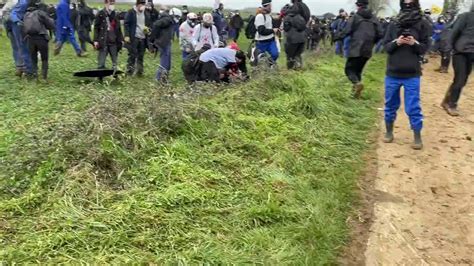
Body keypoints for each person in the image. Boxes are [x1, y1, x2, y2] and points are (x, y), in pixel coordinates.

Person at [383, 0, 430, 150]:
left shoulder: (422, 23)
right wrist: (396, 42)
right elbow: (386, 47)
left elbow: (424, 48)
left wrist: (414, 43)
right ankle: (389, 132)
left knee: (413, 107)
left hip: (412, 74)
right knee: (390, 105)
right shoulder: (394, 23)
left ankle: (417, 136)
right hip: (393, 72)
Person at [338, 0, 383, 98]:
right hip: (367, 49)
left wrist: (337, 37)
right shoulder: (374, 18)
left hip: (356, 47)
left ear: (358, 6)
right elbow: (380, 34)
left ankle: (357, 84)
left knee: (349, 70)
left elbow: (347, 31)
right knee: (358, 71)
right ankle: (356, 94)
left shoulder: (355, 17)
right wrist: (372, 42)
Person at [441, 4, 474, 117]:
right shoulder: (465, 16)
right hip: (460, 52)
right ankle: (452, 104)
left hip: (471, 54)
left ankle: (446, 100)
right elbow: (454, 32)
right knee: (459, 79)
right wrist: (447, 49)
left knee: (463, 80)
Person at [23, 0, 55, 80]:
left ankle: (35, 76)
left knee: (33, 59)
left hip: (30, 39)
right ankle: (44, 77)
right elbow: (50, 25)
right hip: (41, 38)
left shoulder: (26, 14)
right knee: (44, 59)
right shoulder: (40, 13)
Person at [93, 0, 123, 71]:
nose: (112, 4)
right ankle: (100, 76)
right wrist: (95, 40)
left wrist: (121, 39)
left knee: (115, 61)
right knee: (101, 62)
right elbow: (96, 28)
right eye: (110, 3)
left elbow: (118, 29)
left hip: (113, 42)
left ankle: (115, 75)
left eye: (113, 3)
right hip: (103, 42)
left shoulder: (115, 15)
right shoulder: (100, 14)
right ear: (106, 3)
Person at [124, 0, 151, 76]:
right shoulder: (131, 12)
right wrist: (127, 35)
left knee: (141, 55)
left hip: (142, 37)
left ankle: (140, 71)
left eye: (144, 4)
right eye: (141, 4)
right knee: (132, 55)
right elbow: (126, 24)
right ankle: (129, 71)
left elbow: (148, 24)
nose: (142, 6)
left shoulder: (146, 13)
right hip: (134, 37)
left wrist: (148, 30)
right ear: (137, 4)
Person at [282, 0, 310, 70]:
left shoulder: (288, 17)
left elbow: (286, 28)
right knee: (298, 55)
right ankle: (299, 70)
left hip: (292, 39)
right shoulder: (302, 15)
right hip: (302, 38)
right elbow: (306, 21)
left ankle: (290, 71)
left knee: (290, 57)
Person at [149, 5, 174, 83]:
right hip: (163, 43)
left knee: (167, 62)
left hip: (165, 42)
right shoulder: (167, 19)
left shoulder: (164, 18)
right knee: (164, 62)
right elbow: (156, 24)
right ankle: (159, 78)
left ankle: (164, 78)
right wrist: (152, 39)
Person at [9, 0, 33, 77]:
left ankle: (21, 67)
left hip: (18, 25)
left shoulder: (31, 2)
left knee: (19, 47)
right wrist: (17, 21)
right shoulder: (24, 3)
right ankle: (26, 69)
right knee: (23, 47)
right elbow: (13, 13)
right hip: (17, 26)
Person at [254, 0, 279, 64]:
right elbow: (261, 31)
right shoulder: (260, 16)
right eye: (270, 6)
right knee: (258, 60)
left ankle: (269, 65)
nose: (271, 8)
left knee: (275, 54)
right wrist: (273, 30)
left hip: (271, 40)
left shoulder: (269, 16)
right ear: (266, 6)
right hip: (261, 42)